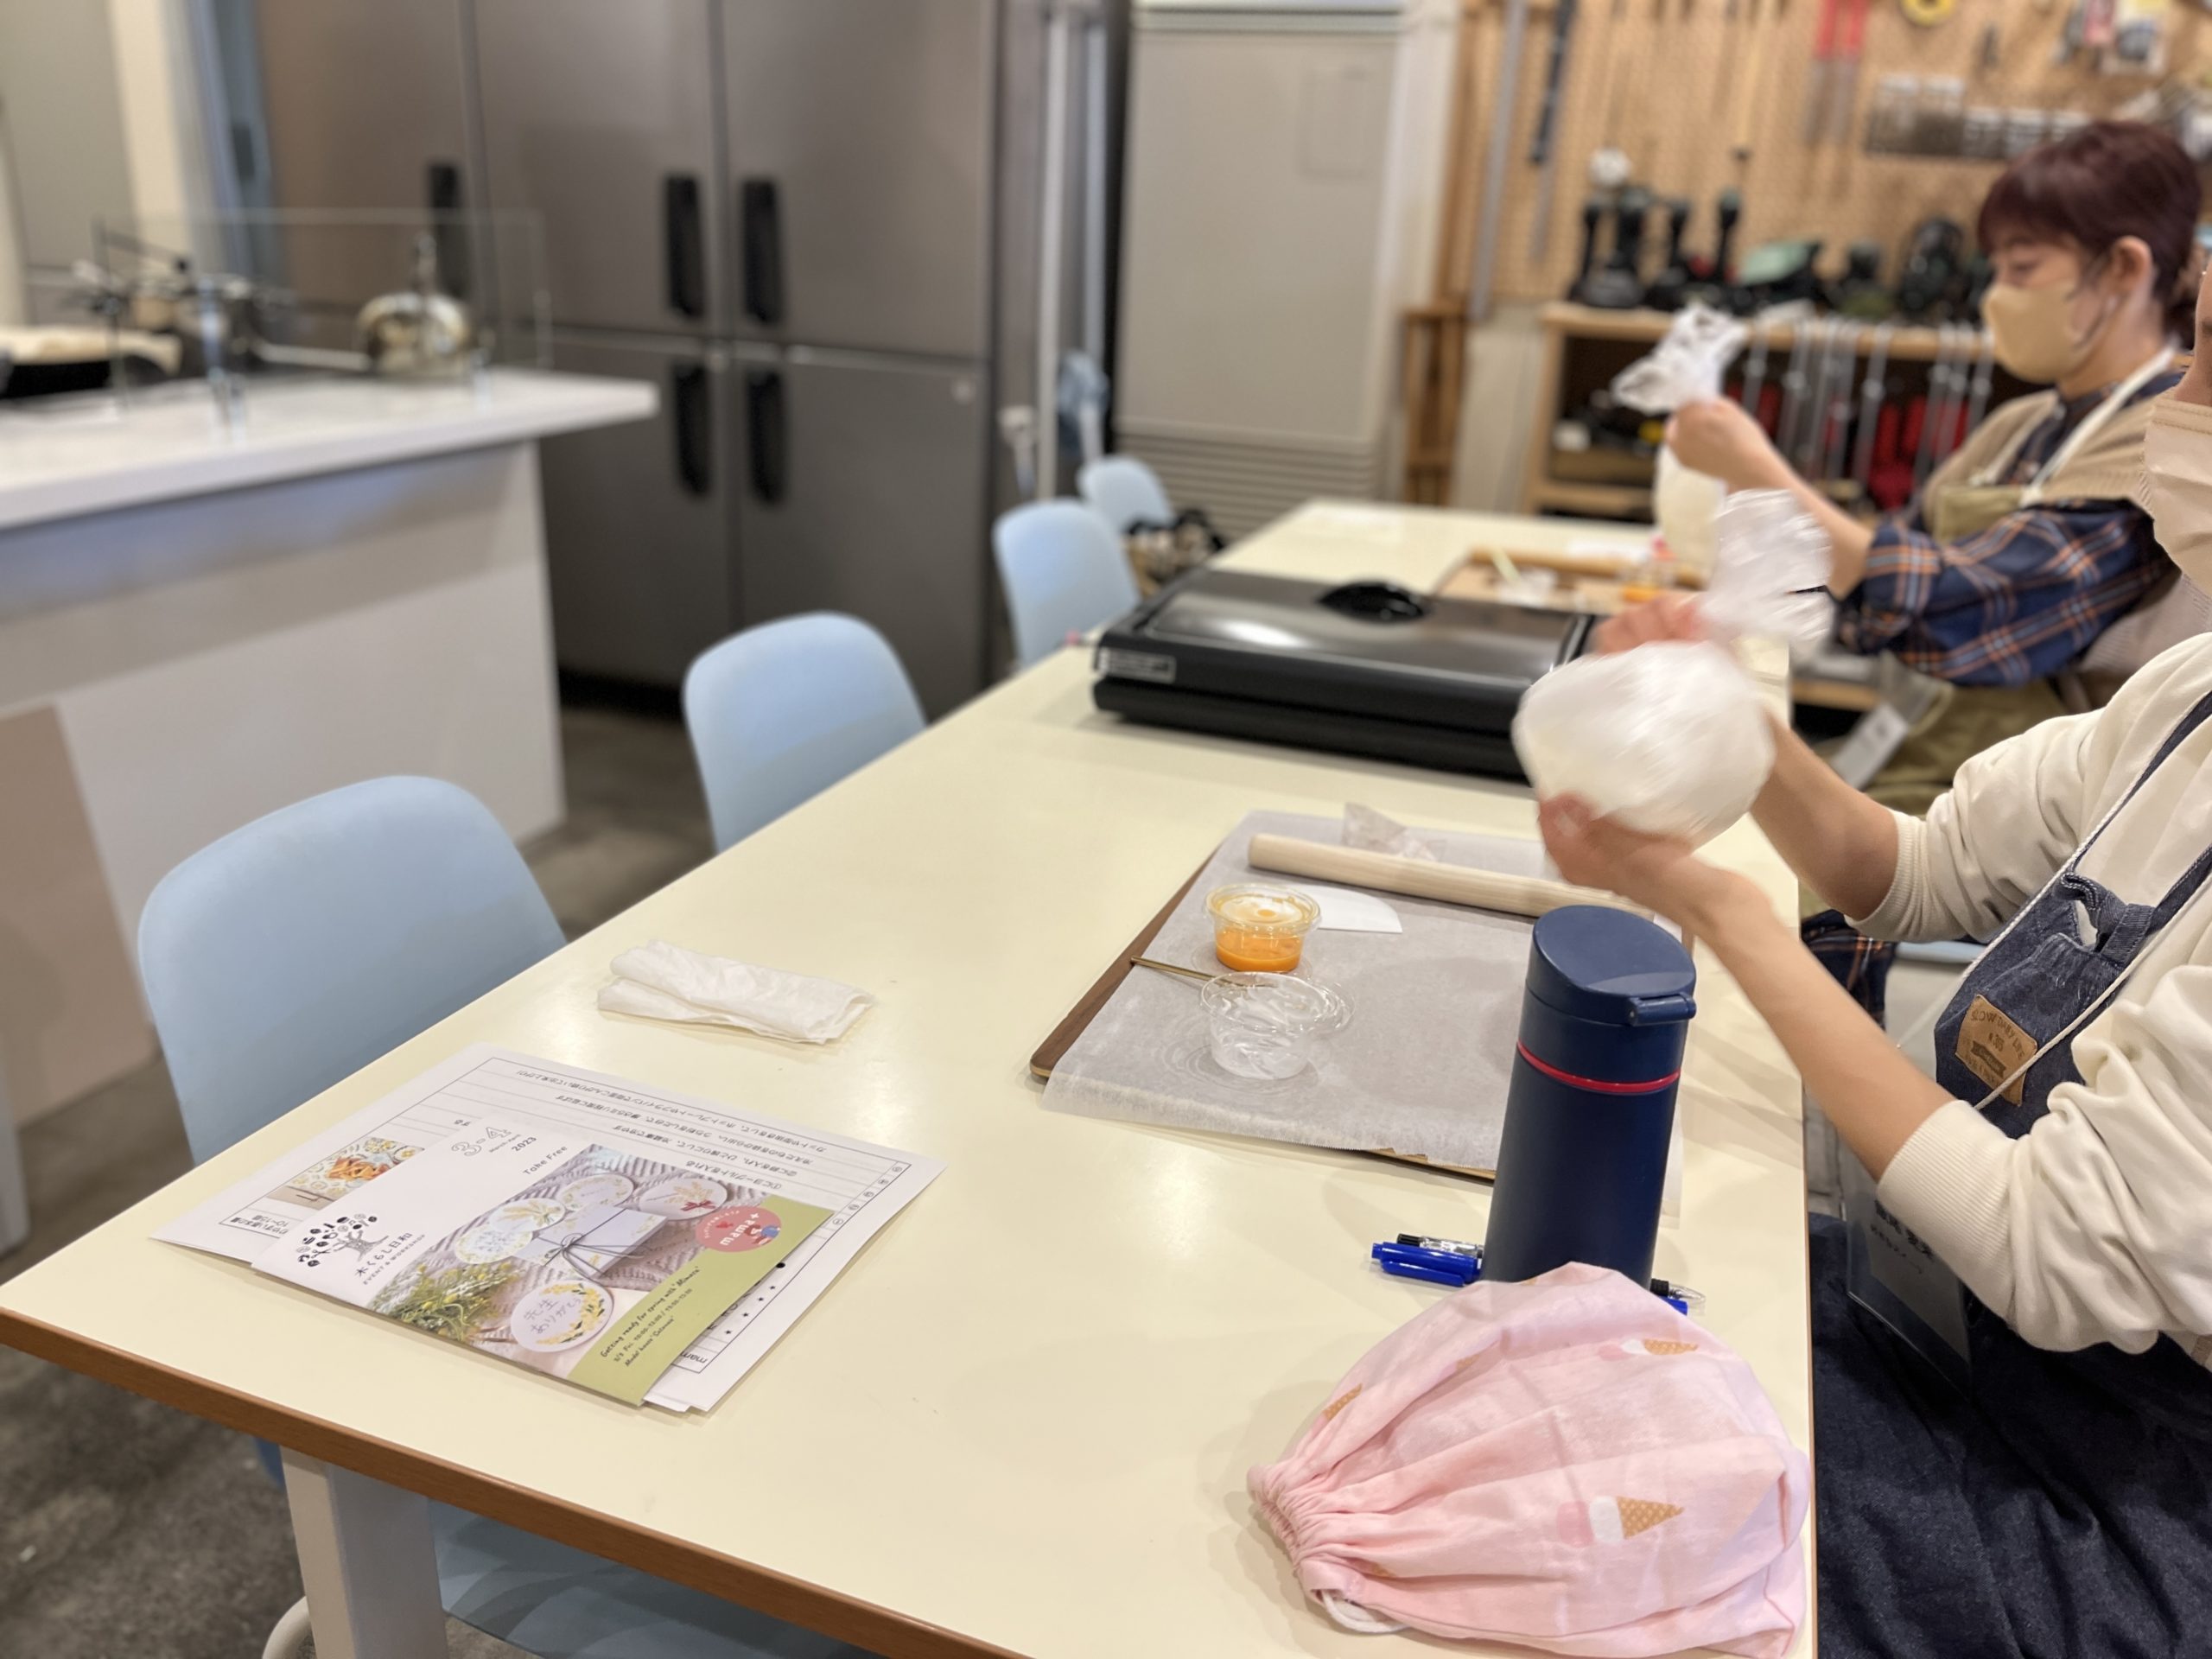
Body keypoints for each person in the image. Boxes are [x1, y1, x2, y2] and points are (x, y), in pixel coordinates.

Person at [1532, 265, 2212, 1657]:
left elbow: (2049, 1246)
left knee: (1571, 1523)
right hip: (1945, 1333)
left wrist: (1725, 914)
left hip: (2109, 1508)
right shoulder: (2188, 698)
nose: (2178, 403)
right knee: (1549, 1372)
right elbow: (1915, 872)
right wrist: (1732, 724)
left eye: (2210, 368)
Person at [1665, 121, 2204, 1021]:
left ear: (2121, 269)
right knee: (1701, 829)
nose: (1998, 296)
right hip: (1921, 757)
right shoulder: (2020, 426)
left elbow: (1961, 613)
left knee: (1764, 902)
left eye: (2022, 269)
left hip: (2010, 806)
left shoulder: (2155, 448)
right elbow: (1873, 592)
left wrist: (1762, 472)